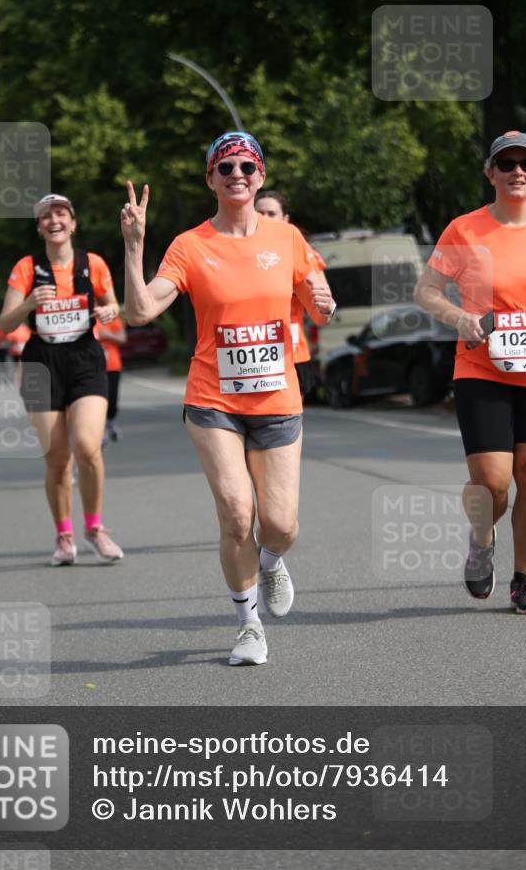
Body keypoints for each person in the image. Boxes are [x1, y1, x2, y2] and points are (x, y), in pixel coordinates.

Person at [121, 131, 335, 665]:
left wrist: (324, 302)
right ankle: (247, 625)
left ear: (260, 175)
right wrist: (133, 246)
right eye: (225, 168)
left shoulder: (286, 239)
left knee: (280, 525)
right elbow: (141, 311)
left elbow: (318, 302)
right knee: (237, 512)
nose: (236, 175)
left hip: (278, 399)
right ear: (210, 180)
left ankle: (271, 560)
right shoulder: (191, 245)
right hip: (213, 398)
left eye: (246, 166)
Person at [414, 131, 526, 614]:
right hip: (482, 366)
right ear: (491, 173)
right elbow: (427, 290)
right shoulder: (466, 230)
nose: (517, 172)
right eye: (507, 164)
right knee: (492, 482)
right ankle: (482, 537)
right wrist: (461, 319)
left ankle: (525, 581)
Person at [0, 193, 124, 566]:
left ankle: (95, 528)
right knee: (56, 458)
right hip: (41, 361)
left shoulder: (94, 263)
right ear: (39, 228)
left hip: (85, 356)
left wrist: (109, 310)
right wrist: (28, 304)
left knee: (87, 446)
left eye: (61, 214)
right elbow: (5, 324)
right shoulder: (26, 267)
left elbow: (114, 305)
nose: (54, 221)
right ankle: (64, 536)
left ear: (73, 223)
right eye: (46, 217)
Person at [254, 191, 326, 398]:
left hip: (292, 351)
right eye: (259, 213)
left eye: (271, 213)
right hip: (251, 351)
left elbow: (322, 297)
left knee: (286, 421)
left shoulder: (300, 251)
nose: (265, 218)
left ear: (285, 220)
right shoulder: (238, 250)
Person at [94, 313, 127, 443]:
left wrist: (108, 335)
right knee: (97, 401)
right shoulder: (83, 316)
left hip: (112, 366)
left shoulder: (110, 316)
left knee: (111, 401)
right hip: (92, 368)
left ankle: (111, 422)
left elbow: (122, 338)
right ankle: (100, 431)